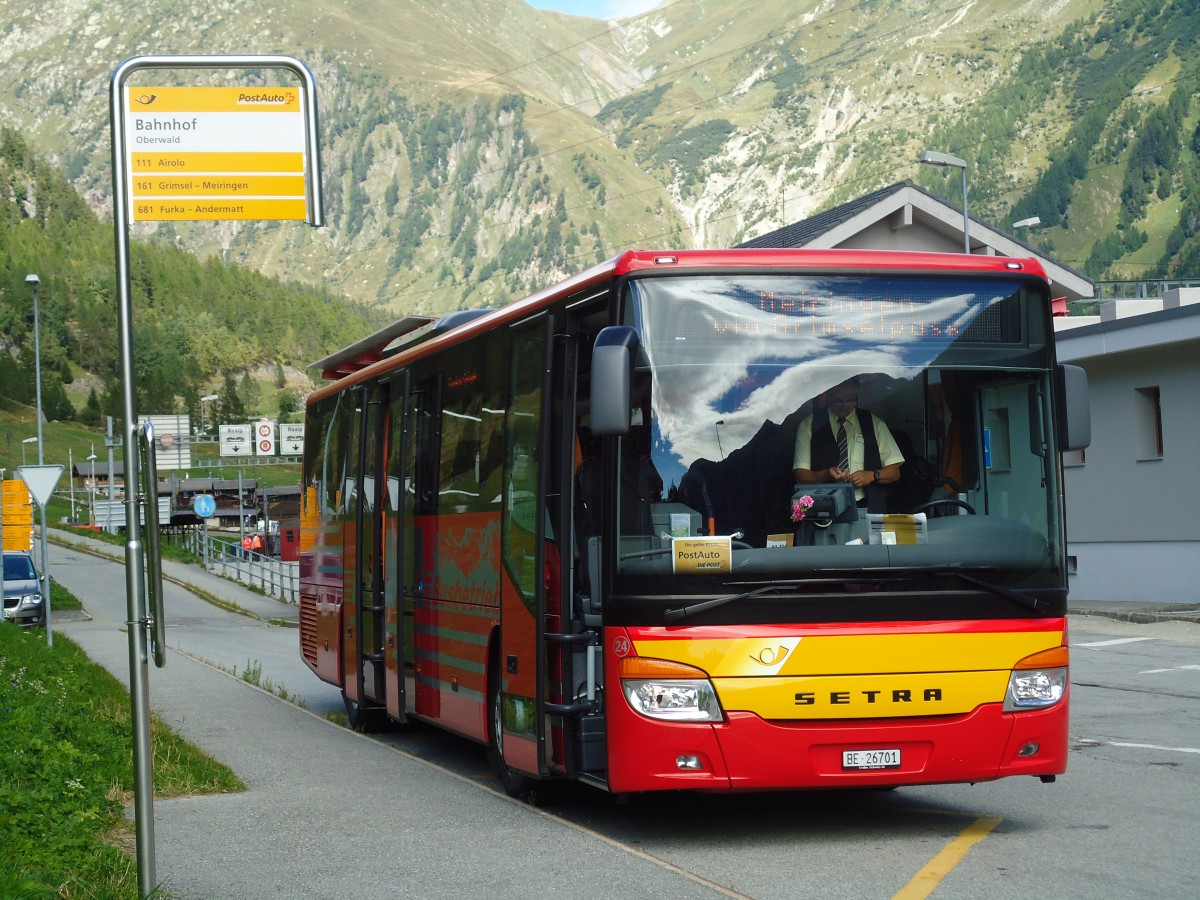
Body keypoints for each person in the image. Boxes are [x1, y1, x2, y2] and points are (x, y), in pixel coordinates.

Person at [793, 377, 904, 511]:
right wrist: (826, 474)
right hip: (823, 507)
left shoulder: (875, 424)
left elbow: (894, 473)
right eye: (839, 400)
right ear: (828, 395)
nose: (845, 404)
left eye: (851, 400)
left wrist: (872, 475)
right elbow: (800, 475)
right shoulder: (808, 426)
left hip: (867, 506)